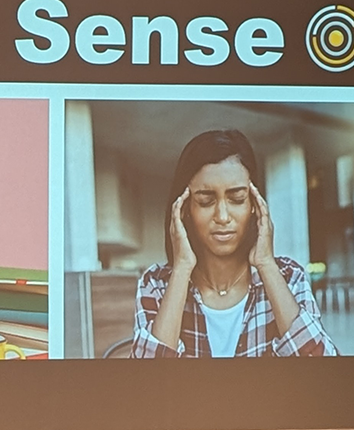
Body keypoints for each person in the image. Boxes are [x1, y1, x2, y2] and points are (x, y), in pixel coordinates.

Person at [132, 130, 337, 357]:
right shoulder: (156, 285)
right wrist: (181, 269)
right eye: (205, 201)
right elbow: (146, 384)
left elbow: (325, 368)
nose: (222, 216)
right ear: (184, 209)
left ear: (254, 205)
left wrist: (266, 264)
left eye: (237, 199)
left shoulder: (289, 278)